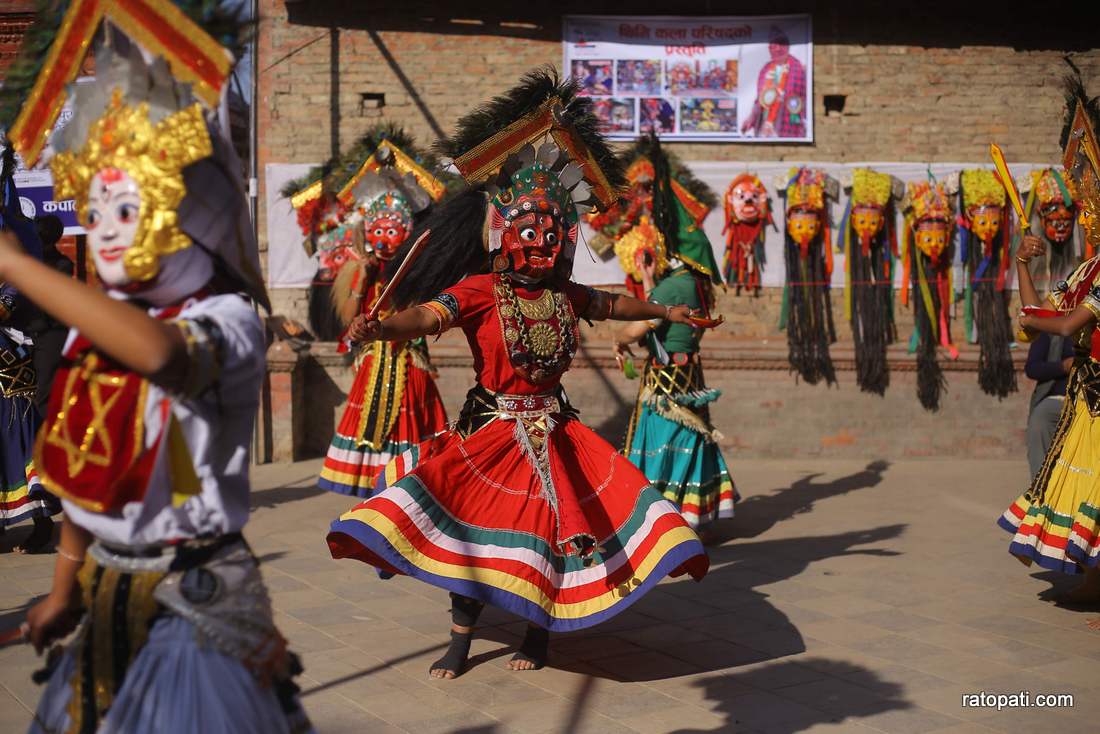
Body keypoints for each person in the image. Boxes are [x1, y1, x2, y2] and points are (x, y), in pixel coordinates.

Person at [326, 69, 709, 679]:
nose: (540, 243)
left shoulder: (564, 291)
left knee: (549, 536)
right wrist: (385, 326)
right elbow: (428, 316)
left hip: (554, 433)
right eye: (528, 231)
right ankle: (460, 641)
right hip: (490, 433)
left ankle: (538, 637)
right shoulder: (481, 287)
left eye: (550, 233)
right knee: (472, 535)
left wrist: (666, 310)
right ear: (506, 234)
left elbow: (613, 304)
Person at [3, 26, 311, 733]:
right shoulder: (97, 322)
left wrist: (19, 266)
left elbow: (158, 356)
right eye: (97, 208)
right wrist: (63, 589)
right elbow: (87, 472)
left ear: (188, 206)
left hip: (196, 598)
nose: (106, 230)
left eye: (129, 209)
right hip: (108, 590)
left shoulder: (229, 319)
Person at [999, 69, 1100, 625]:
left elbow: (1062, 327)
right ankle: (1088, 574)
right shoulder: (1088, 269)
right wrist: (1022, 265)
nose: (1080, 219)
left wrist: (1041, 319)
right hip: (1086, 398)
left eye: (1084, 211)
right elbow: (1041, 316)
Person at [0, 153, 60, 552]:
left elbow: (19, 280)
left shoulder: (13, 230)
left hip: (9, 348)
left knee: (18, 428)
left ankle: (40, 521)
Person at [740, 27, 807, 138]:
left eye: (782, 45)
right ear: (769, 48)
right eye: (774, 45)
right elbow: (760, 100)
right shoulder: (765, 69)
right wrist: (751, 119)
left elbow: (805, 100)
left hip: (788, 127)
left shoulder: (800, 69)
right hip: (765, 127)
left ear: (788, 47)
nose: (778, 49)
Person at [1024, 332, 1075, 478]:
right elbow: (1032, 368)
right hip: (1058, 399)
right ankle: (1041, 490)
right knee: (1039, 420)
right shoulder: (1051, 331)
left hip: (1091, 400)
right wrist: (1062, 367)